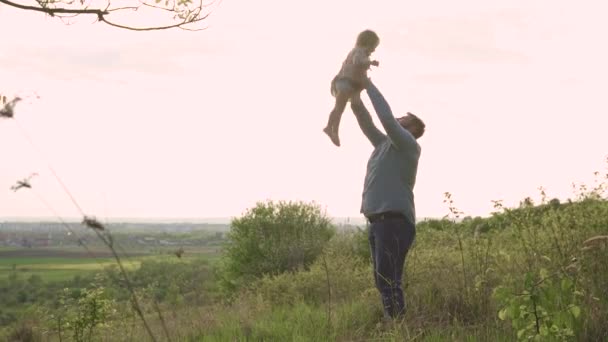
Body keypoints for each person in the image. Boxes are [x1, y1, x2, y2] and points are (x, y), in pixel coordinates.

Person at [351, 77, 425, 319]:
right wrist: (354, 97)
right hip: (379, 222)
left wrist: (367, 83)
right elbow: (366, 123)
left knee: (388, 278)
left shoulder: (408, 145)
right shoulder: (384, 144)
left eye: (405, 119)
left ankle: (398, 326)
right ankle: (395, 324)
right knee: (382, 279)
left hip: (394, 223)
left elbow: (385, 118)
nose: (399, 120)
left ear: (412, 128)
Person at [323, 30, 380, 147]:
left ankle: (333, 130)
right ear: (367, 43)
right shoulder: (359, 52)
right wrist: (370, 62)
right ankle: (330, 128)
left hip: (349, 85)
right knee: (339, 108)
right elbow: (358, 62)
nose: (373, 50)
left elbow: (359, 73)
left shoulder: (359, 52)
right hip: (345, 83)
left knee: (339, 108)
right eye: (373, 47)